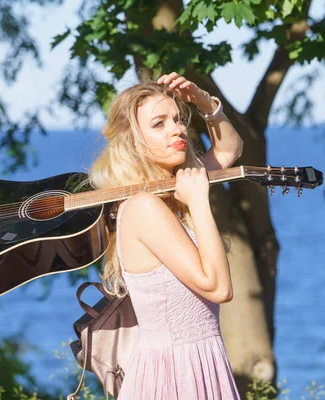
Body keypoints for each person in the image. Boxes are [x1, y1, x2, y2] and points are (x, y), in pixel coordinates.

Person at [87, 70, 243, 399]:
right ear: (134, 142)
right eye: (159, 124)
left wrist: (203, 101)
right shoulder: (144, 207)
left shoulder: (174, 191)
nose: (177, 129)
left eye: (177, 119)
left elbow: (230, 148)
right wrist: (199, 203)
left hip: (202, 361)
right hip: (173, 372)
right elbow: (218, 288)